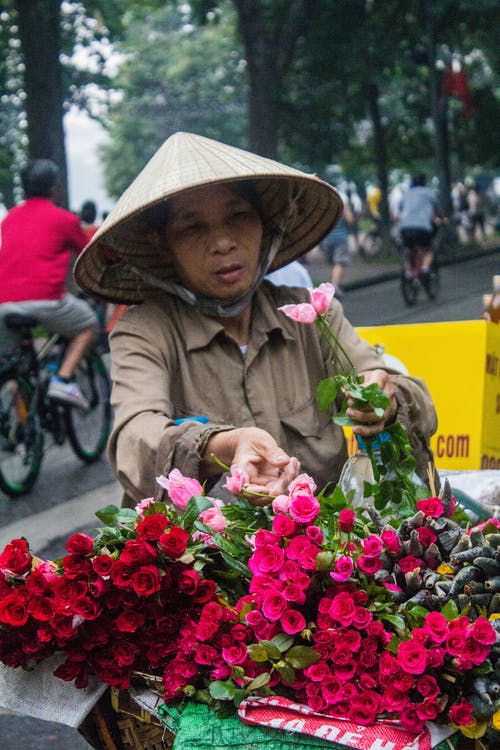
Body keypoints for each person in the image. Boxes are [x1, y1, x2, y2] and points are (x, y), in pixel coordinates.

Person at [74, 132, 437, 508]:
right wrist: (223, 446)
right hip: (206, 556)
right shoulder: (145, 331)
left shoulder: (313, 316)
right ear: (161, 242)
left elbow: (409, 397)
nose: (223, 243)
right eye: (193, 227)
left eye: (238, 216)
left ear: (266, 225)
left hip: (326, 545)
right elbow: (136, 437)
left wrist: (384, 399)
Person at [0, 159, 96, 410]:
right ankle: (63, 380)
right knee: (87, 325)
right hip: (45, 299)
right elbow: (89, 255)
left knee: (17, 367)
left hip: (4, 303)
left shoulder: (9, 218)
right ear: (54, 189)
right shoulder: (64, 219)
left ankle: (24, 433)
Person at [399, 173, 440, 284]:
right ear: (424, 182)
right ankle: (425, 268)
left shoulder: (406, 194)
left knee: (409, 249)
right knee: (428, 249)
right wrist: (440, 217)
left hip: (405, 227)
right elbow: (436, 209)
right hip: (422, 227)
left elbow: (400, 210)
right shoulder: (429, 192)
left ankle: (408, 272)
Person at [319, 191, 354, 297]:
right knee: (338, 263)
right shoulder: (343, 203)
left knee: (333, 263)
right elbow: (350, 219)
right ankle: (334, 286)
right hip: (340, 238)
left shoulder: (324, 205)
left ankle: (336, 283)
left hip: (326, 239)